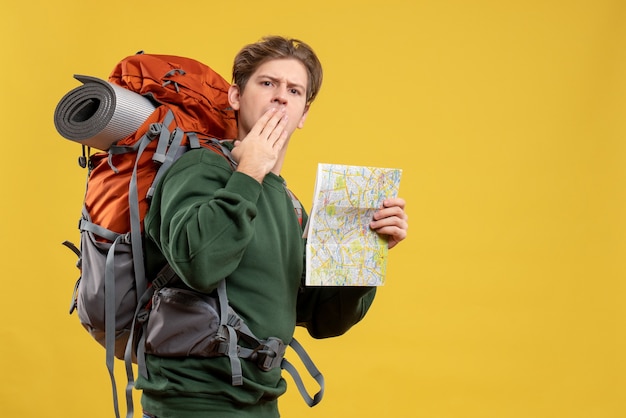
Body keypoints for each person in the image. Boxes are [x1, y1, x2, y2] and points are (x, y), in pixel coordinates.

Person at [135, 35, 409, 418]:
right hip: (192, 403)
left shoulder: (290, 206)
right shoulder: (198, 168)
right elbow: (200, 263)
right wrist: (249, 170)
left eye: (294, 90)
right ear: (235, 96)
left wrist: (366, 251)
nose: (281, 97)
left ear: (304, 113)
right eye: (267, 84)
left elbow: (324, 318)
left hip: (261, 404)